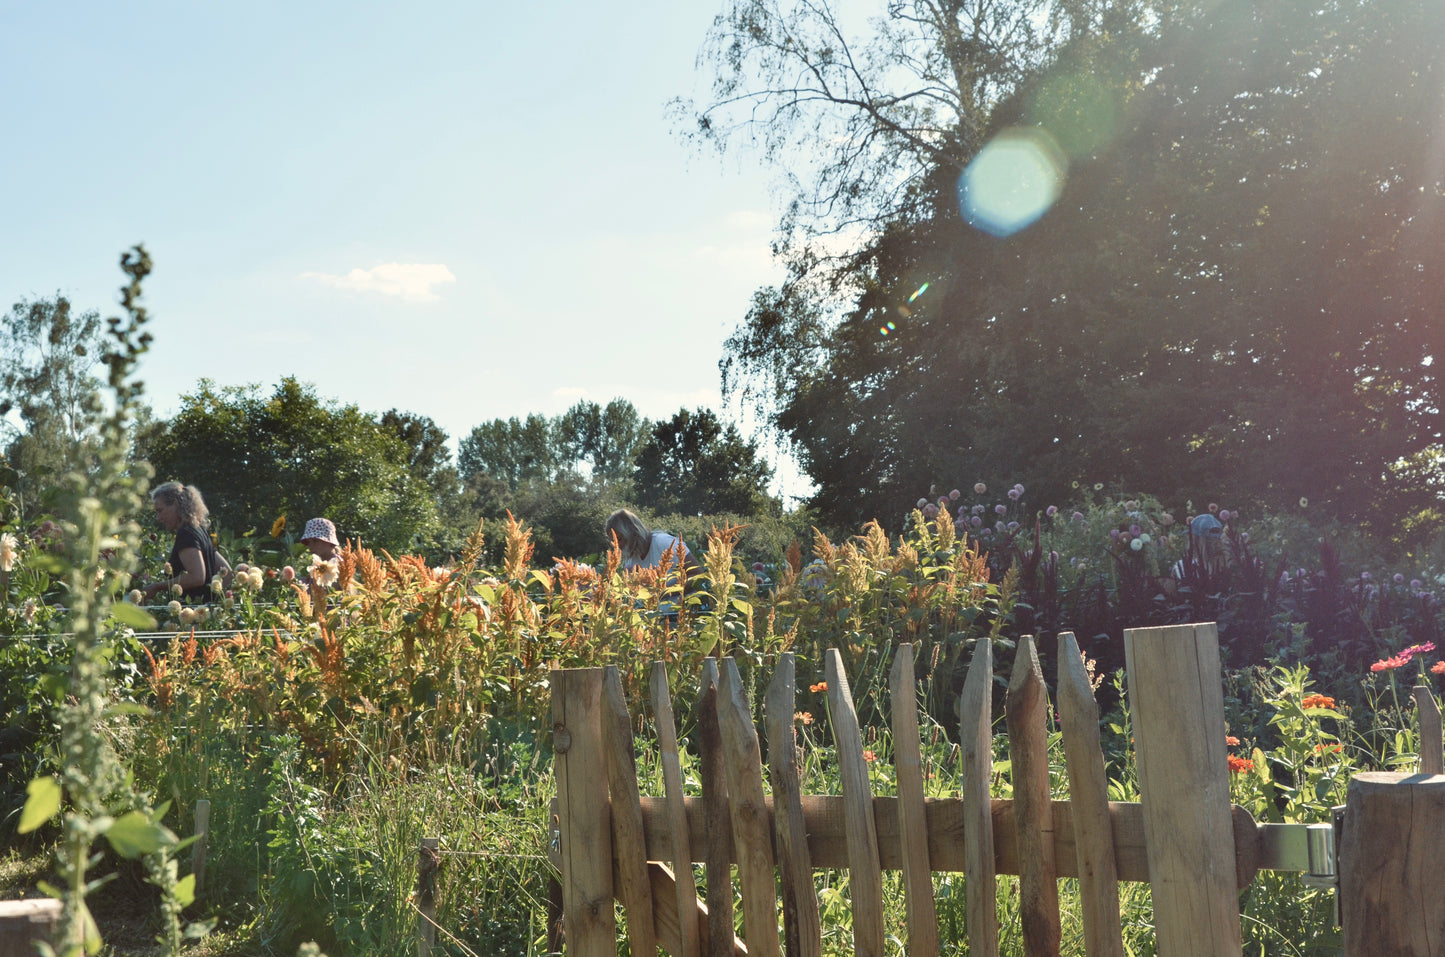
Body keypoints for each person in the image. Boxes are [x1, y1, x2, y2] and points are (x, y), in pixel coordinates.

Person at [143, 482, 231, 601]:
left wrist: (157, 587)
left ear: (175, 504)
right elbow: (227, 572)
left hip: (190, 613)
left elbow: (197, 577)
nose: (158, 518)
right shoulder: (199, 531)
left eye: (160, 511)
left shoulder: (186, 534)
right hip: (204, 614)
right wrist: (213, 601)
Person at [604, 508, 694, 571]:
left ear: (632, 532)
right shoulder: (631, 562)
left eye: (619, 539)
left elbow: (697, 573)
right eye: (613, 541)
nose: (617, 545)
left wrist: (666, 591)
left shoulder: (663, 543)